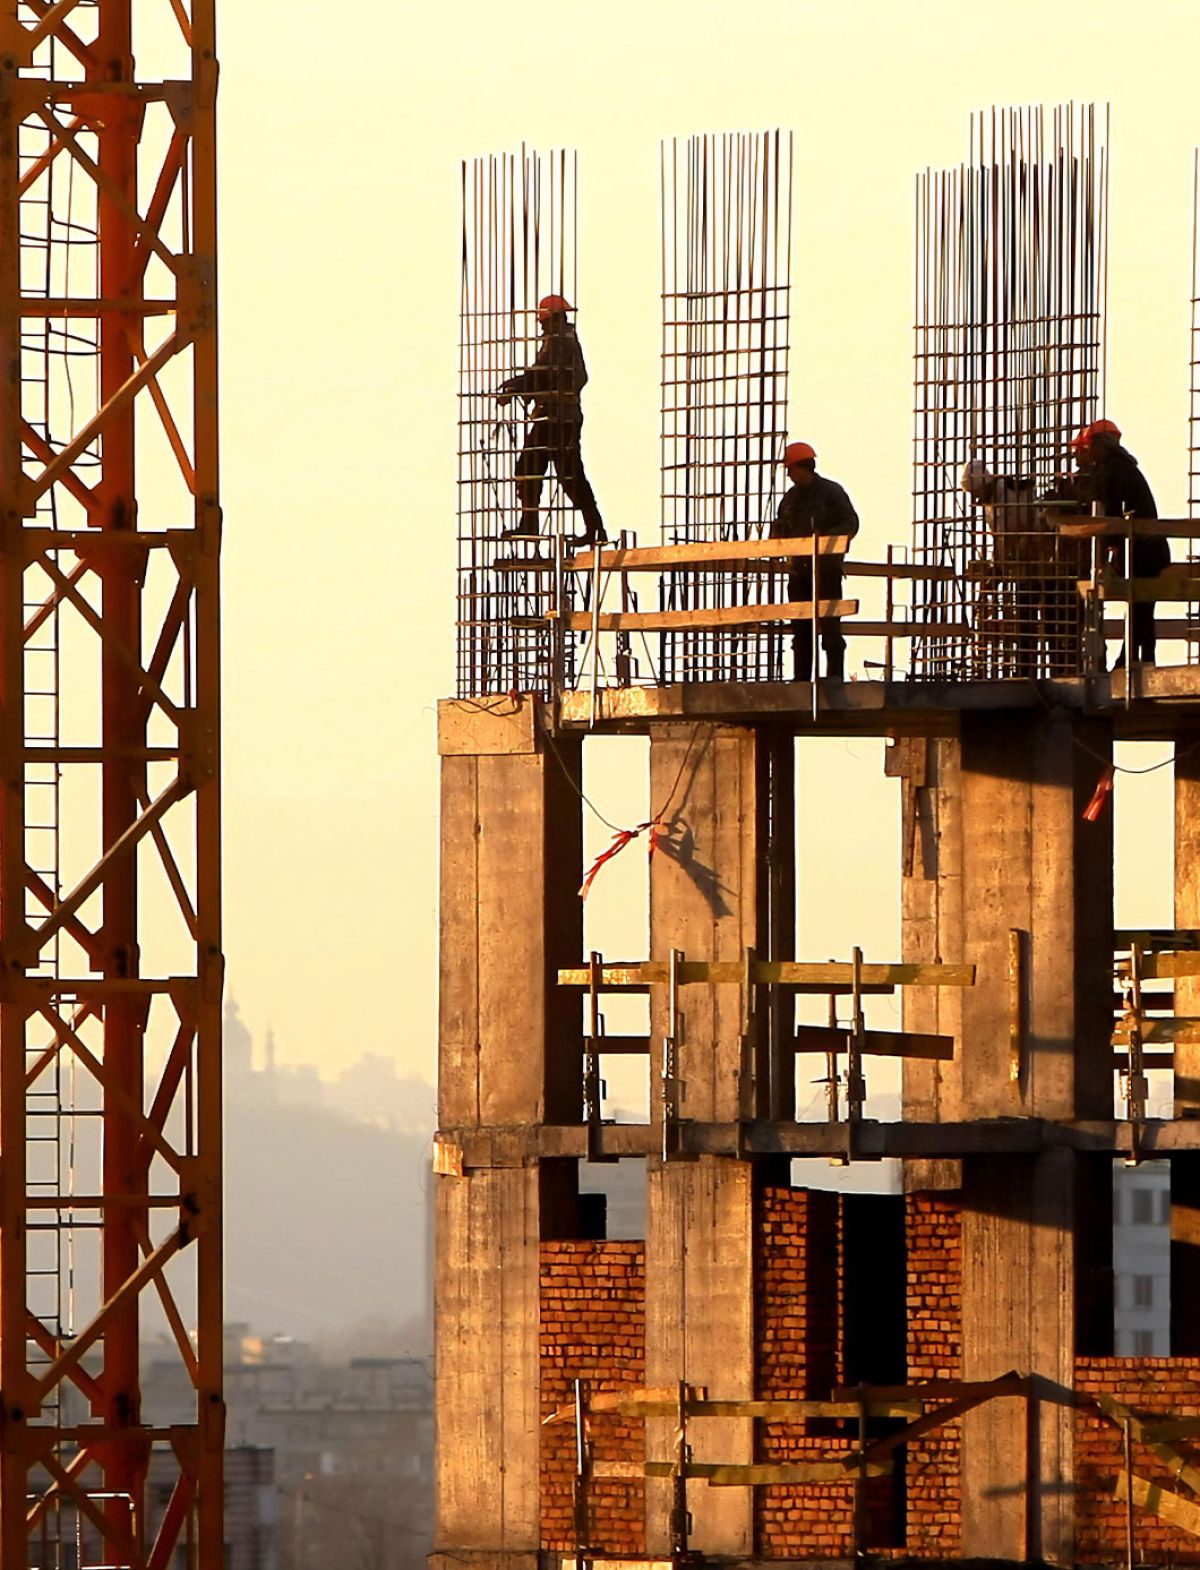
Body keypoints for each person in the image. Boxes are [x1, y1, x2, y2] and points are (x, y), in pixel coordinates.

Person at [496, 294, 607, 547]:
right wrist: (520, 385)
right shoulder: (563, 340)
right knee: (564, 474)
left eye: (542, 319)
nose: (540, 324)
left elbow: (543, 374)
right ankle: (593, 529)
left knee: (539, 470)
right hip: (559, 417)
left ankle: (535, 524)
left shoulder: (559, 341)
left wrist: (517, 386)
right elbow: (548, 375)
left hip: (556, 419)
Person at [960, 458, 1080, 676]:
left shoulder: (1010, 495)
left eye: (976, 492)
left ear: (985, 484)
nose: (975, 498)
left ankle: (1060, 668)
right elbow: (1002, 540)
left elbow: (1016, 535)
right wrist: (998, 568)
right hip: (1024, 569)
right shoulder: (992, 502)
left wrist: (999, 568)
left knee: (1052, 619)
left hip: (1045, 564)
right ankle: (1026, 670)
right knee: (1025, 622)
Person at [1075, 418, 1169, 666]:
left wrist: (1103, 554)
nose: (1086, 453)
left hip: (1142, 551)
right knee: (1142, 608)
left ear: (1100, 446)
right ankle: (1138, 660)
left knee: (1140, 607)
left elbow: (1106, 514)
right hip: (1150, 550)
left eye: (1088, 447)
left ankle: (1132, 660)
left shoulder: (1112, 472)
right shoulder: (1124, 468)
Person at [769, 440, 859, 681]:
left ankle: (833, 678)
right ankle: (801, 679)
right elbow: (781, 527)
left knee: (830, 626)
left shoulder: (831, 493)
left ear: (803, 467)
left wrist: (824, 541)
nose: (788, 475)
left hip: (826, 571)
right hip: (799, 572)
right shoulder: (790, 499)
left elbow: (850, 523)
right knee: (801, 629)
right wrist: (777, 538)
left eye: (790, 469)